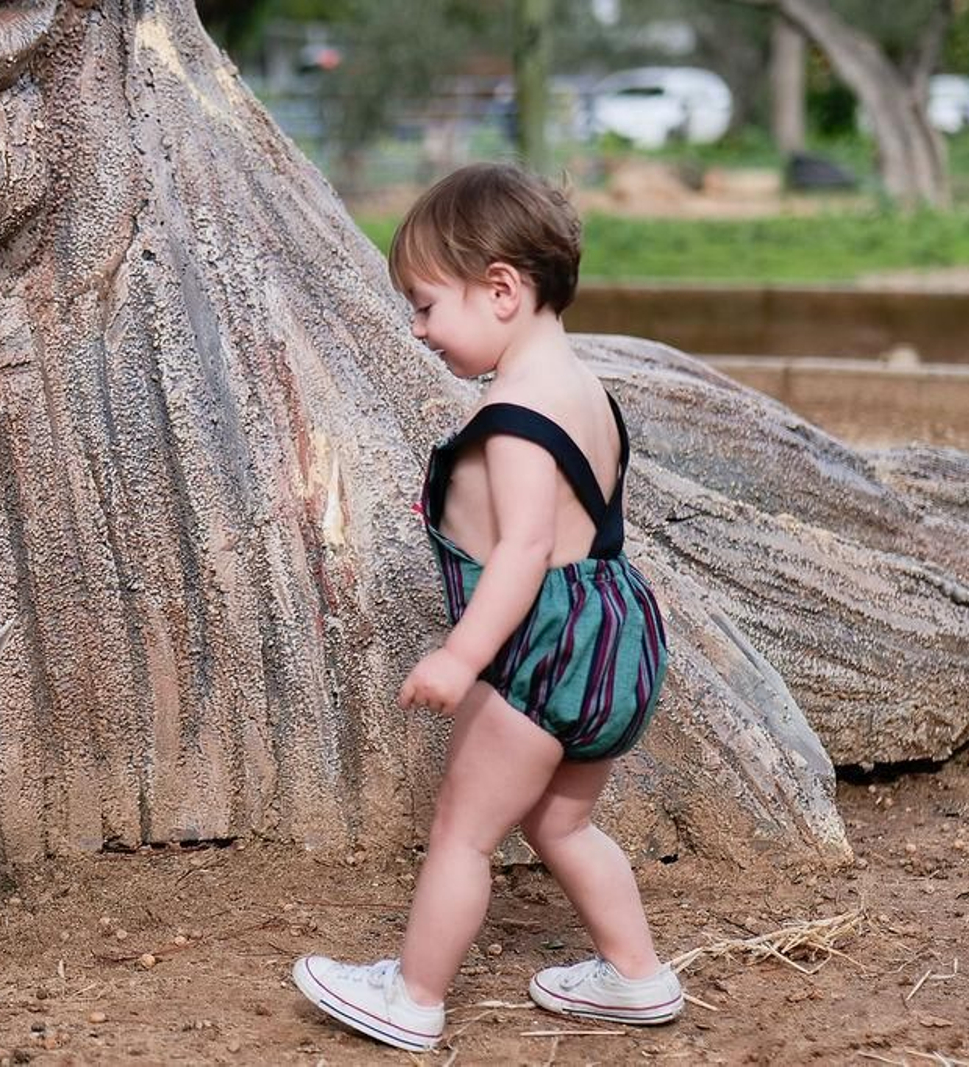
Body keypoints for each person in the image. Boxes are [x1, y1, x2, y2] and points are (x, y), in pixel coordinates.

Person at [292, 163, 682, 1053]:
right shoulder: (584, 388)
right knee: (561, 821)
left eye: (427, 305)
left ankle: (414, 994)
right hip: (612, 639)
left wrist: (462, 657)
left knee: (461, 835)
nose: (419, 327)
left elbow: (523, 550)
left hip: (536, 656)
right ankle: (635, 973)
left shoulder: (513, 414)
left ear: (501, 289)